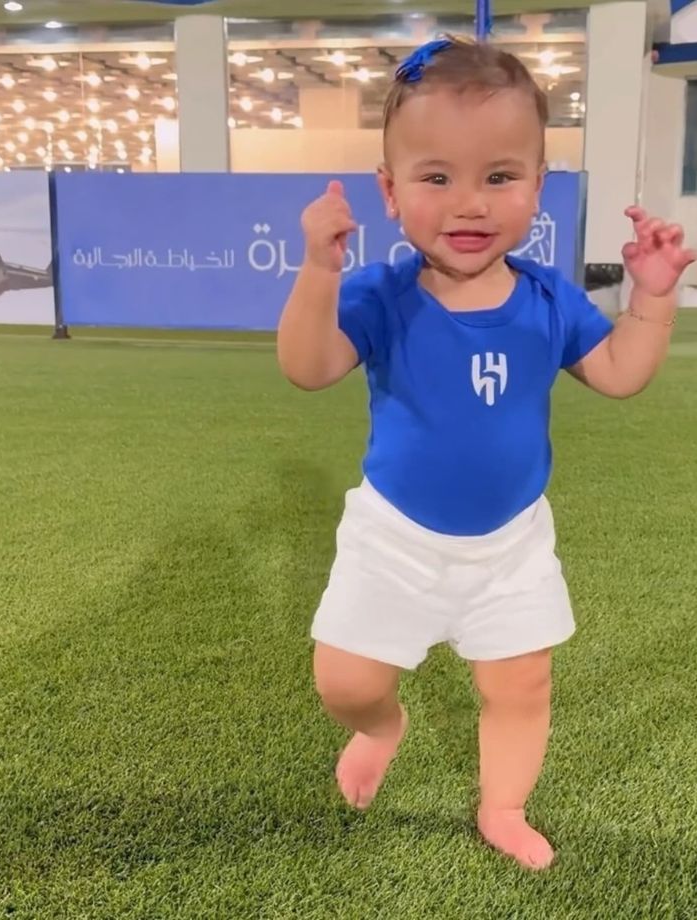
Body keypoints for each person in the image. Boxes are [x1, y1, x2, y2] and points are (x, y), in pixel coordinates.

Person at [276, 37, 695, 871]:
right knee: (344, 684)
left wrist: (651, 301)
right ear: (390, 194)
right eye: (437, 178)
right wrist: (318, 271)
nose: (469, 203)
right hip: (393, 539)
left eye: (499, 177)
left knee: (519, 685)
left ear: (537, 188)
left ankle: (502, 805)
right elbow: (307, 368)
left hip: (509, 545)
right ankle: (382, 727)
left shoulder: (548, 299)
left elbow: (615, 375)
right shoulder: (378, 296)